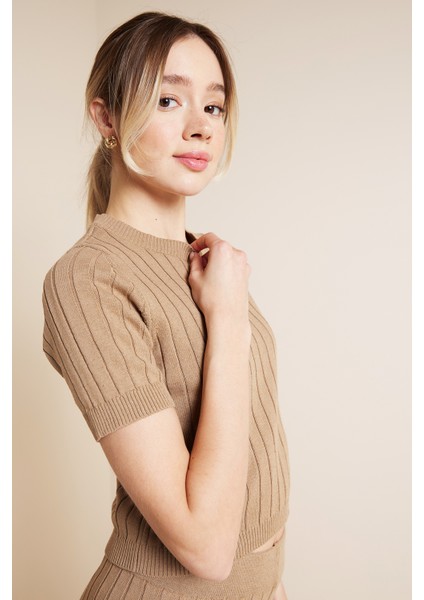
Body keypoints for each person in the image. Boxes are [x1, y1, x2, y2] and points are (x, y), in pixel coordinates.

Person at [42, 11, 290, 600]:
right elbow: (205, 547)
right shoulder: (88, 279)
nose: (201, 128)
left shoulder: (206, 263)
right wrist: (226, 319)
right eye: (168, 100)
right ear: (106, 116)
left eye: (214, 106)